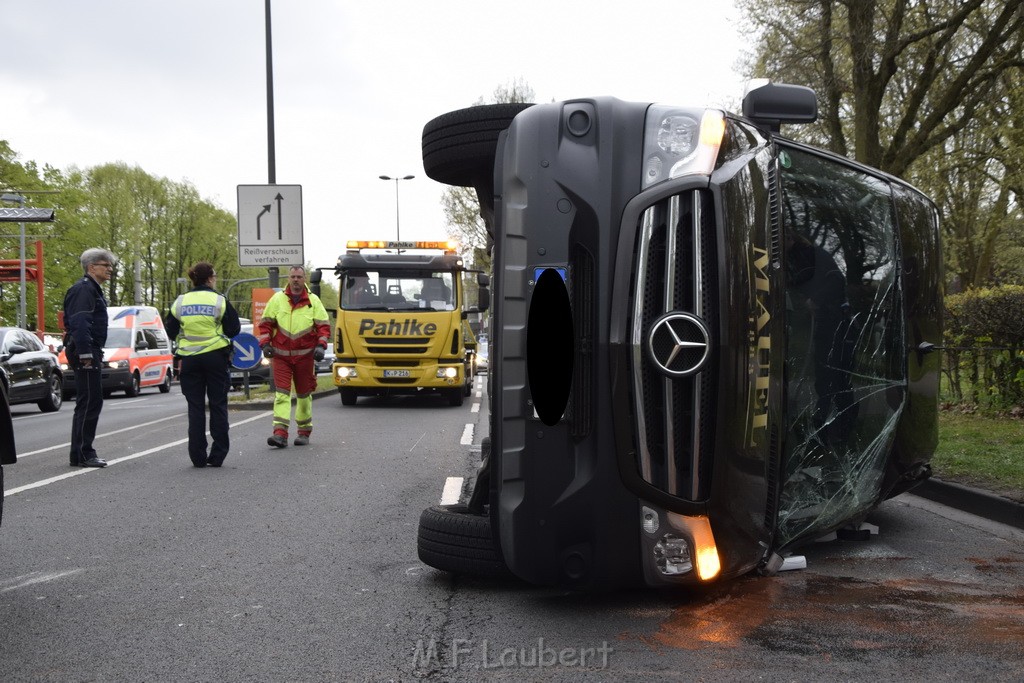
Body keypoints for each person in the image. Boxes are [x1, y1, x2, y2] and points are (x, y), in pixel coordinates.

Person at [165, 262, 241, 468]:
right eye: (214, 275)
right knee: (217, 405)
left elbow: (169, 331)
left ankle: (197, 457)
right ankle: (217, 456)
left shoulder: (180, 302)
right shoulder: (219, 300)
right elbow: (234, 329)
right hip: (216, 357)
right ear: (210, 278)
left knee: (195, 408)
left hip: (189, 360)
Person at [258, 266, 330, 448]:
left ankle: (304, 432)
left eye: (299, 276)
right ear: (288, 278)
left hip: (305, 357)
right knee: (281, 394)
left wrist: (321, 346)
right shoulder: (277, 299)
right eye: (293, 277)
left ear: (304, 278)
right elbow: (265, 324)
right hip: (281, 357)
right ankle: (279, 433)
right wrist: (265, 344)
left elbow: (323, 327)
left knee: (304, 396)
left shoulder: (313, 301)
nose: (296, 279)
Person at [63, 248, 117, 468]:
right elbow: (80, 322)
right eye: (106, 265)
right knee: (89, 402)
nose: (110, 269)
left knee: (90, 401)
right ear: (92, 267)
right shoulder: (84, 290)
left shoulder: (91, 290)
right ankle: (84, 453)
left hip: (89, 349)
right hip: (85, 351)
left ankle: (80, 453)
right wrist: (86, 353)